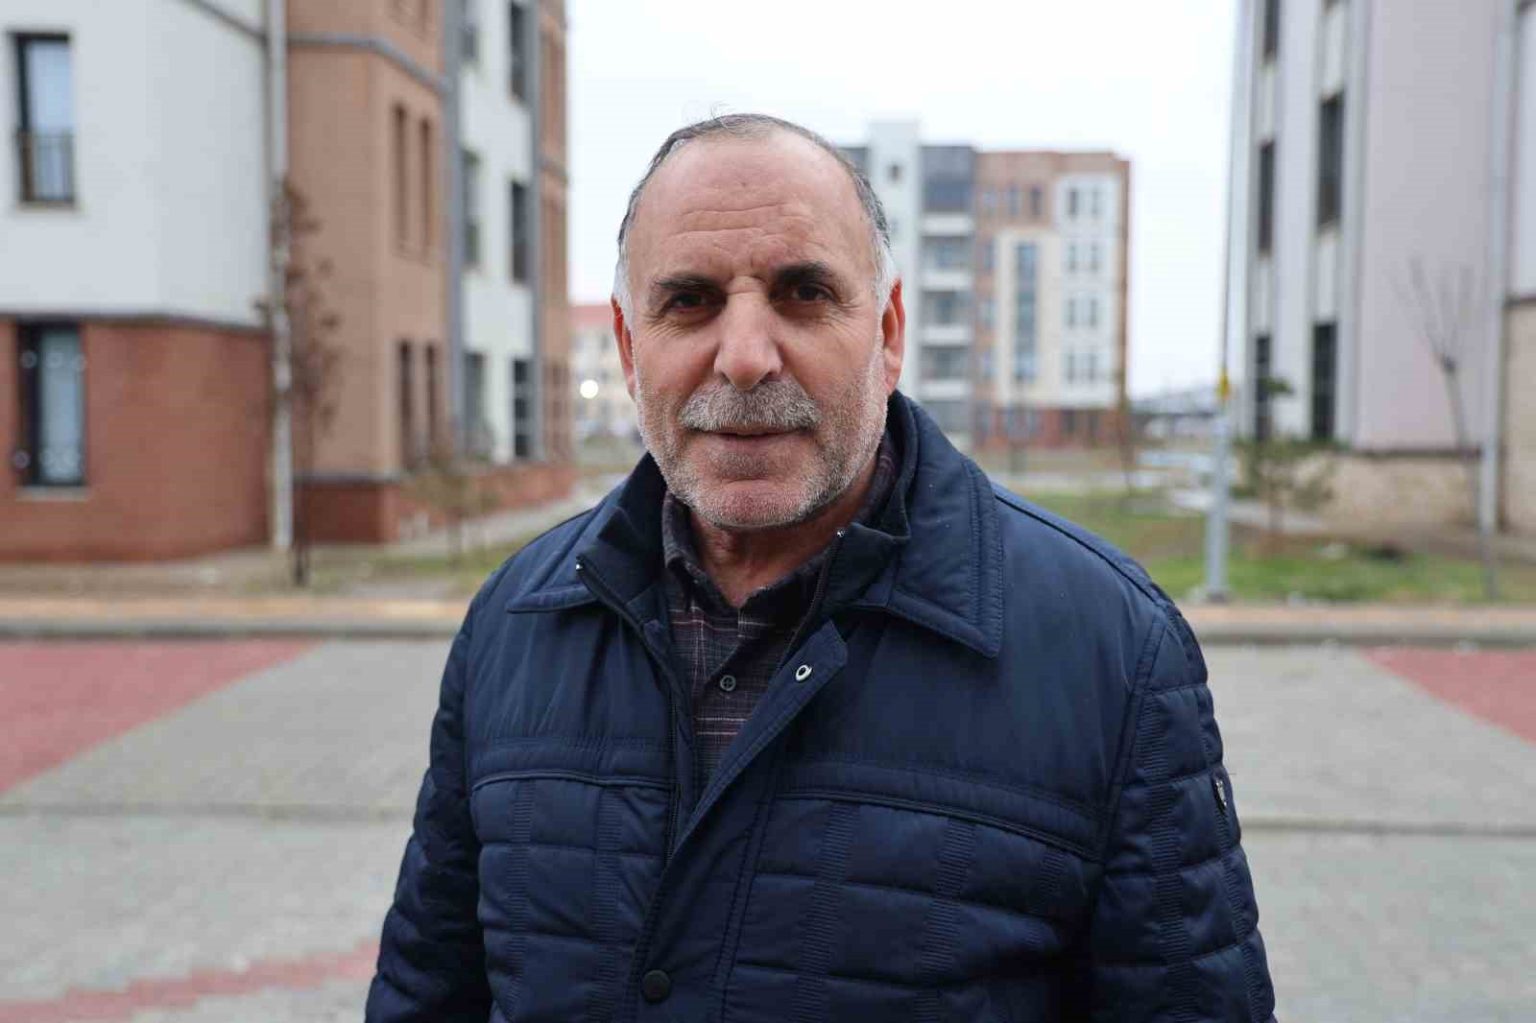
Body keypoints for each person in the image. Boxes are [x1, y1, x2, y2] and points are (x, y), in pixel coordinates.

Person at [366, 113, 1277, 1023]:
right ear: (630, 348)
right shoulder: (515, 624)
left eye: (803, 293)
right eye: (689, 301)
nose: (745, 358)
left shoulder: (1110, 651)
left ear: (888, 332)